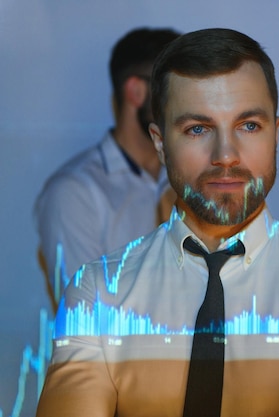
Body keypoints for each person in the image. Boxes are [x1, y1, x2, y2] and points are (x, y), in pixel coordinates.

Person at [36, 28, 279, 417]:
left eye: (249, 125)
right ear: (159, 141)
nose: (226, 155)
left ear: (276, 133)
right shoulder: (96, 292)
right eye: (198, 129)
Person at [34, 27, 180, 310]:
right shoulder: (74, 192)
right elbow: (84, 313)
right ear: (137, 92)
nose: (190, 106)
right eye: (177, 91)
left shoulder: (189, 177)